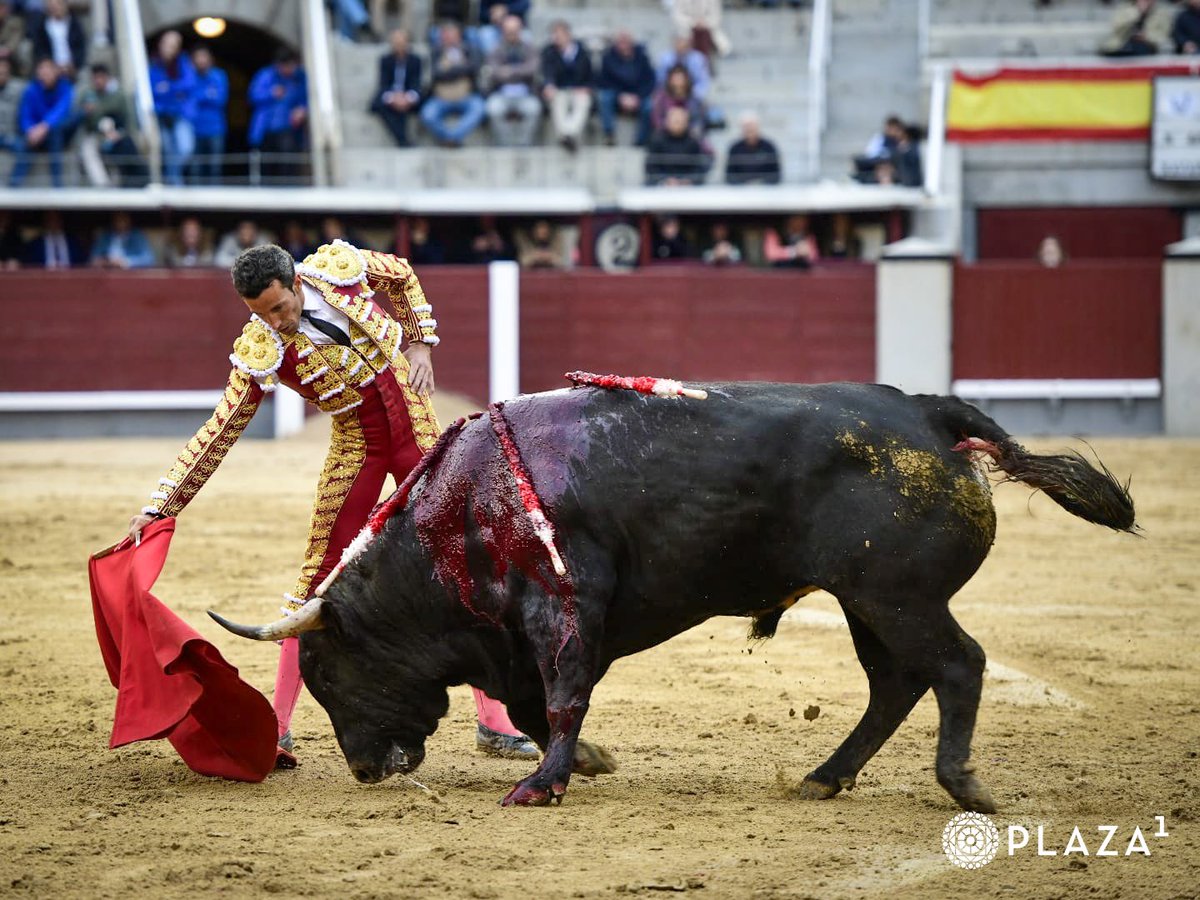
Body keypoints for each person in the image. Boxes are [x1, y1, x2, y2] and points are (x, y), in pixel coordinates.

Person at [125, 241, 539, 765]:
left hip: (415, 424)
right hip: (357, 442)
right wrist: (163, 506)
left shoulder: (338, 270)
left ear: (296, 284)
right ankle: (275, 729)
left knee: (466, 558)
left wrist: (420, 344)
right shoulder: (262, 346)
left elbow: (402, 274)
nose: (275, 323)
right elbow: (220, 430)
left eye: (279, 308)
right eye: (261, 315)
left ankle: (494, 721)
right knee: (319, 580)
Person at [9, 57, 72, 187]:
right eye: (41, 71)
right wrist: (30, 130)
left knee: (57, 131)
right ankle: (14, 187)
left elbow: (61, 110)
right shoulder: (31, 90)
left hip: (57, 132)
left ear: (55, 71)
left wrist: (44, 127)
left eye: (48, 70)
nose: (44, 74)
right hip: (36, 135)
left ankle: (57, 185)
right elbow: (25, 115)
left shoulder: (65, 87)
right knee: (23, 145)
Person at [420, 22, 485, 147]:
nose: (448, 38)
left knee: (479, 108)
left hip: (466, 97)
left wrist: (449, 71)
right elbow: (435, 74)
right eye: (445, 35)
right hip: (441, 99)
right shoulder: (435, 52)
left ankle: (451, 138)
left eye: (452, 35)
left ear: (459, 36)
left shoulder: (469, 49)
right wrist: (460, 70)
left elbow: (474, 68)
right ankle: (451, 138)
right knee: (427, 114)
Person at [248, 48, 308, 181]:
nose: (289, 70)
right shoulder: (265, 75)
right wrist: (271, 93)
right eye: (285, 66)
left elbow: (307, 98)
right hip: (266, 128)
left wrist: (302, 109)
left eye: (291, 66)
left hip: (289, 128)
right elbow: (253, 96)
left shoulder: (299, 78)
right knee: (267, 164)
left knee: (288, 163)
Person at [483, 14, 540, 147]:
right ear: (503, 31)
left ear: (520, 31)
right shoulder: (496, 49)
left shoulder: (529, 48)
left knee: (534, 109)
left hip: (525, 93)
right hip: (501, 93)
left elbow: (532, 68)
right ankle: (505, 145)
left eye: (515, 31)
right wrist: (519, 71)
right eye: (509, 31)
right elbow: (494, 71)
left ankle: (523, 144)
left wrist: (510, 71)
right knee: (493, 109)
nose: (512, 34)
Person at [149, 30, 196, 186]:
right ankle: (175, 184)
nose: (168, 48)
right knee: (168, 151)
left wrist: (169, 87)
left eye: (173, 45)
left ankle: (174, 180)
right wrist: (174, 91)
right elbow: (152, 89)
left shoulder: (183, 63)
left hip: (180, 114)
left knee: (185, 148)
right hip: (161, 114)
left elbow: (189, 84)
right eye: (166, 44)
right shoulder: (154, 64)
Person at [540, 19, 592, 153]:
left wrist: (586, 87)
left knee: (583, 101)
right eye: (554, 34)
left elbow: (590, 74)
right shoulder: (549, 51)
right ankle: (568, 136)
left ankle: (567, 134)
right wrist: (549, 85)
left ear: (568, 34)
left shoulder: (582, 51)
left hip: (578, 89)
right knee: (557, 100)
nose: (556, 37)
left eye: (559, 33)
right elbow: (546, 72)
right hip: (559, 89)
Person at [596, 30, 655, 146]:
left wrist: (638, 96)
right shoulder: (608, 58)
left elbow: (650, 81)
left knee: (649, 107)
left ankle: (641, 140)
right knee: (604, 98)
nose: (624, 45)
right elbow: (603, 81)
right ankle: (609, 134)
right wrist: (620, 96)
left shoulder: (643, 58)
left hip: (638, 95)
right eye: (621, 42)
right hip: (617, 95)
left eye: (626, 41)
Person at [371, 28, 422, 147]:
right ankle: (403, 140)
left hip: (408, 95)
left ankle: (404, 140)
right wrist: (393, 97)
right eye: (395, 42)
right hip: (391, 95)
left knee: (413, 105)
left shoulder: (415, 60)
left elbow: (416, 83)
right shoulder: (385, 60)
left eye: (401, 42)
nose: (398, 45)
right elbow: (383, 84)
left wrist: (407, 98)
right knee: (383, 106)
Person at [190, 46, 228, 184]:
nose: (201, 60)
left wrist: (200, 96)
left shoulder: (219, 76)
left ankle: (215, 201)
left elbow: (221, 99)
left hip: (215, 128)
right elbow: (188, 98)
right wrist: (207, 94)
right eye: (198, 57)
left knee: (215, 167)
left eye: (204, 57)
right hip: (195, 128)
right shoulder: (189, 76)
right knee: (196, 168)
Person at [644, 106, 709, 186]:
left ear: (687, 123)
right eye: (675, 121)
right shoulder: (657, 140)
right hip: (661, 188)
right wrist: (665, 180)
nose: (678, 124)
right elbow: (651, 167)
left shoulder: (693, 142)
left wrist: (689, 180)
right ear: (667, 121)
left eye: (681, 121)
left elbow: (699, 167)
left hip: (688, 188)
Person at [28, 0, 84, 80]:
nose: (56, 7)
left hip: (73, 67)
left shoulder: (75, 24)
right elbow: (40, 50)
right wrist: (52, 67)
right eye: (52, 5)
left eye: (59, 4)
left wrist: (73, 64)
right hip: (50, 67)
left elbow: (80, 47)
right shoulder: (41, 26)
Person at [650, 64, 707, 142]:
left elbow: (698, 121)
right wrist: (671, 126)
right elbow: (657, 119)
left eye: (681, 79)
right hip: (666, 135)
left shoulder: (694, 100)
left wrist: (683, 126)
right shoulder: (661, 98)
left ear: (686, 80)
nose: (678, 82)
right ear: (670, 80)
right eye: (675, 79)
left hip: (688, 137)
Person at [1100, 0, 1173, 56]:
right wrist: (1138, 12)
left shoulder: (1162, 13)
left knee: (1140, 50)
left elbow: (1163, 36)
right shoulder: (1125, 9)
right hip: (1122, 45)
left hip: (1146, 46)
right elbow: (1117, 28)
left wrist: (1146, 36)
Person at [725, 113, 780, 185]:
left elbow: (775, 173)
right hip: (740, 191)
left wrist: (761, 183)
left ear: (758, 127)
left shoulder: (769, 147)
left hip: (765, 191)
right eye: (746, 126)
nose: (749, 129)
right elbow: (730, 174)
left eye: (751, 125)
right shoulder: (734, 148)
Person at [656, 33, 711, 104]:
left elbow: (702, 82)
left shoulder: (698, 59)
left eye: (684, 43)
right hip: (668, 96)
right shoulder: (665, 58)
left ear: (689, 44)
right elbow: (660, 80)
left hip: (692, 96)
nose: (681, 46)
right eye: (678, 42)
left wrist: (688, 95)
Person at [667, 0, 732, 59]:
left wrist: (704, 23)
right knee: (683, 42)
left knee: (721, 46)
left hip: (707, 29)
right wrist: (694, 23)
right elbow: (677, 16)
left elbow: (716, 17)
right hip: (686, 29)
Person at [90, 211, 156, 268]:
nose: (120, 222)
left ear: (129, 220)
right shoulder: (105, 236)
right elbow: (93, 259)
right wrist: (105, 262)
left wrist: (125, 262)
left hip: (130, 276)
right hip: (106, 276)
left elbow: (148, 259)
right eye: (117, 218)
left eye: (123, 218)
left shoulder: (137, 236)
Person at [0, 56, 23, 154]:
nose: (2, 76)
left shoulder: (20, 88)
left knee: (22, 148)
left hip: (10, 135)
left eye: (4, 73)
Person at [0, 1, 25, 74]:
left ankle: (21, 74)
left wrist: (6, 50)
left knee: (25, 47)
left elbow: (15, 41)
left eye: (2, 8)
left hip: (10, 55)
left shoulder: (16, 22)